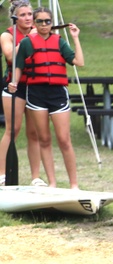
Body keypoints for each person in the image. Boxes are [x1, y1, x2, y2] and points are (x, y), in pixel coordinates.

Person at [9, 6, 83, 188]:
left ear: (52, 24)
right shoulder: (27, 43)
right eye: (40, 21)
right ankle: (52, 183)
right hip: (36, 94)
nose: (44, 24)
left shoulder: (59, 42)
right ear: (34, 23)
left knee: (64, 139)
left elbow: (79, 62)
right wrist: (15, 82)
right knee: (44, 139)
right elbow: (18, 67)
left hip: (57, 93)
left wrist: (75, 38)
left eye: (47, 21)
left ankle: (74, 184)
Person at [0, 0, 42, 186]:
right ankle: (2, 174)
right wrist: (28, 39)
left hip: (34, 86)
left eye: (30, 14)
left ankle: (35, 177)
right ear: (15, 18)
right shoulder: (7, 35)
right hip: (14, 86)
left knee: (34, 133)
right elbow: (11, 56)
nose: (27, 18)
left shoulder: (40, 33)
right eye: (23, 15)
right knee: (12, 130)